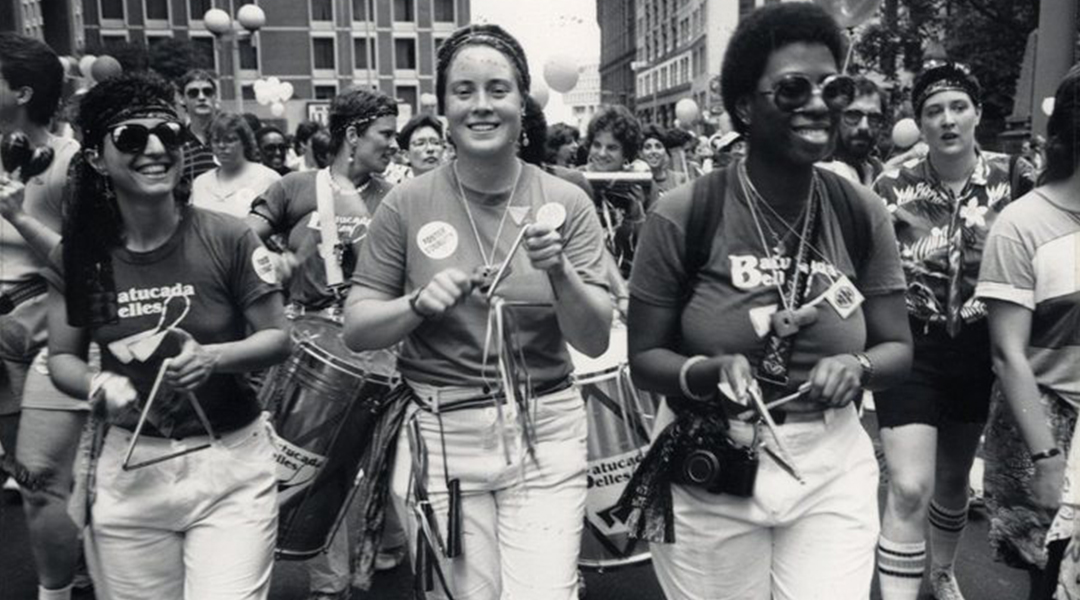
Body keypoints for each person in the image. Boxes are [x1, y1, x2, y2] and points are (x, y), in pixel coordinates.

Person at [618, 4, 911, 599]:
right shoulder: (684, 214)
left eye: (833, 88)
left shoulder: (860, 211)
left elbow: (898, 347)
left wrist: (857, 366)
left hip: (829, 466)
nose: (819, 104)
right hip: (712, 461)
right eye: (794, 88)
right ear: (746, 106)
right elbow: (644, 360)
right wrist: (706, 372)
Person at [343, 23, 612, 599]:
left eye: (498, 89)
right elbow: (358, 327)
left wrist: (560, 272)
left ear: (522, 103)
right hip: (439, 432)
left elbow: (593, 340)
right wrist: (418, 303)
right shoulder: (406, 203)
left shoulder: (566, 201)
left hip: (545, 430)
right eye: (464, 91)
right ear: (444, 109)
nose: (481, 105)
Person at [44, 71, 289, 600]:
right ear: (96, 158)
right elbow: (62, 358)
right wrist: (97, 384)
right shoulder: (82, 255)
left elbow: (277, 338)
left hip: (230, 465)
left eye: (168, 133)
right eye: (132, 137)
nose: (155, 148)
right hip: (130, 473)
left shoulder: (229, 236)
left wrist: (213, 357)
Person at [872, 61, 1036, 600]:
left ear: (977, 114)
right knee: (909, 485)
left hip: (980, 346)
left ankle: (941, 571)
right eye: (934, 111)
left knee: (952, 477)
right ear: (920, 123)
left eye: (958, 107)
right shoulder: (890, 184)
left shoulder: (1014, 178)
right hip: (910, 345)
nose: (947, 120)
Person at [247, 86, 399, 600]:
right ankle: (329, 584)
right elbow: (240, 242)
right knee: (309, 461)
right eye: (385, 134)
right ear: (352, 135)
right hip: (308, 345)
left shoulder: (394, 197)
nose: (393, 144)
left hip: (374, 346)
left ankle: (386, 544)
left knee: (372, 463)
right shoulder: (294, 187)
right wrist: (273, 263)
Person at [976, 64, 1080, 600]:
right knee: (1055, 576)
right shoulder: (1021, 225)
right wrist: (1047, 458)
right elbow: (1007, 353)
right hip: (1052, 425)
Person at [0, 31, 83, 600]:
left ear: (23, 92)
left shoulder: (68, 165)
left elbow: (86, 263)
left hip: (50, 334)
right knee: (26, 473)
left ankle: (55, 590)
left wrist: (19, 216)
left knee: (39, 483)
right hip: (1, 341)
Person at [583, 104, 651, 278]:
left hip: (627, 278)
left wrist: (637, 216)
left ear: (626, 153)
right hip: (586, 278)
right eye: (596, 145)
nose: (601, 153)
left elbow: (650, 249)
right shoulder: (576, 180)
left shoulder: (640, 183)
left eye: (612, 147)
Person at [190, 113, 281, 219]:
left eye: (229, 140)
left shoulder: (268, 178)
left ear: (245, 142)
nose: (222, 146)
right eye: (216, 141)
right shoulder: (200, 183)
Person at [819, 76, 888, 187]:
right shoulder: (814, 172)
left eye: (874, 118)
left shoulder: (876, 169)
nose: (864, 127)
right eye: (853, 115)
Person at [177, 69, 219, 183]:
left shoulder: (232, 137)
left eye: (207, 92)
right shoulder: (177, 144)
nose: (201, 97)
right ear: (182, 99)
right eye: (193, 93)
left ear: (215, 96)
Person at [639, 124, 689, 197]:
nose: (653, 151)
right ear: (641, 153)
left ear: (665, 151)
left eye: (658, 147)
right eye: (648, 147)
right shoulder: (637, 180)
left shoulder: (678, 179)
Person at [397, 114, 445, 180]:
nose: (430, 149)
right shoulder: (398, 185)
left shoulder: (456, 184)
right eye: (420, 143)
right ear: (406, 155)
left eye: (436, 143)